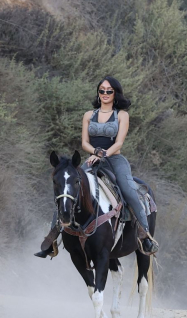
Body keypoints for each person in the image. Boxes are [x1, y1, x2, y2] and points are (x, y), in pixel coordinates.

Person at [35, 76, 159, 258]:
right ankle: (52, 237)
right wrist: (94, 153)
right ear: (98, 93)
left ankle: (144, 234)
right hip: (92, 158)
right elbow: (84, 143)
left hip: (115, 159)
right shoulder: (88, 115)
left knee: (129, 190)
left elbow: (119, 143)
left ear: (115, 93)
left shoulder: (122, 115)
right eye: (102, 90)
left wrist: (103, 154)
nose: (105, 94)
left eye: (109, 91)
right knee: (68, 188)